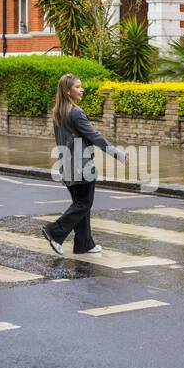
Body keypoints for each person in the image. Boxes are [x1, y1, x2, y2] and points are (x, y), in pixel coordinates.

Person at [41, 73, 129, 256]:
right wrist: (118, 154)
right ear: (67, 91)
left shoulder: (57, 113)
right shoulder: (76, 113)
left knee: (80, 204)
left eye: (81, 86)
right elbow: (96, 137)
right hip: (81, 166)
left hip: (66, 165)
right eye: (77, 87)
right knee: (83, 204)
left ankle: (84, 244)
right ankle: (55, 232)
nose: (82, 89)